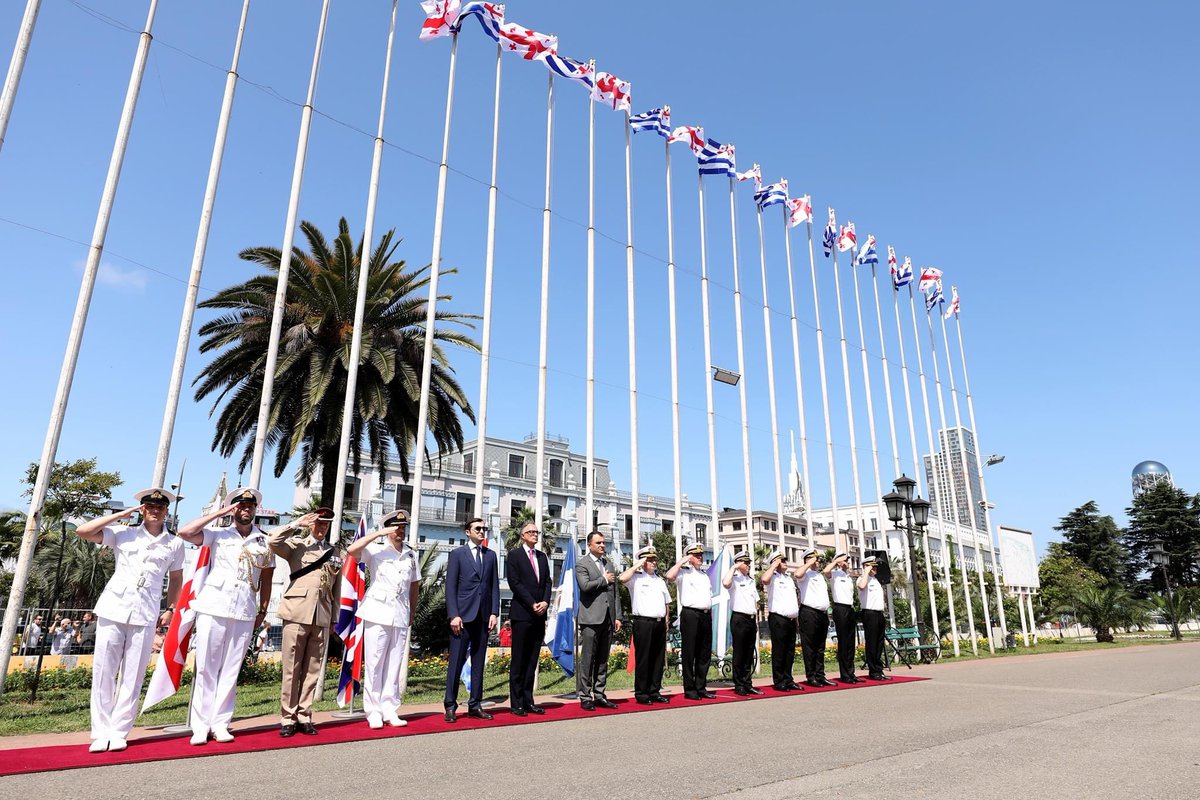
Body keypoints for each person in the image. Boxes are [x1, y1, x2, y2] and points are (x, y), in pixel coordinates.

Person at [73, 488, 185, 753]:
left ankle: (119, 729)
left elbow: (177, 579)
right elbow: (83, 532)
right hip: (114, 608)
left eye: (160, 507)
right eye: (149, 506)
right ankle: (100, 731)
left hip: (146, 612)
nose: (155, 510)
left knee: (133, 675)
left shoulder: (174, 543)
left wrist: (170, 608)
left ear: (166, 511)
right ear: (142, 509)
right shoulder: (122, 533)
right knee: (104, 672)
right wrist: (121, 515)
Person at [177, 487, 275, 746]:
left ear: (255, 510)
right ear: (233, 509)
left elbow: (267, 577)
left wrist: (262, 610)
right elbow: (185, 532)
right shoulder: (217, 534)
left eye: (250, 506)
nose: (246, 510)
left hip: (244, 609)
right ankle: (200, 725)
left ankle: (220, 722)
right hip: (214, 606)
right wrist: (220, 512)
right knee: (207, 668)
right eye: (240, 506)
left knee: (231, 669)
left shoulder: (263, 541)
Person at [268, 507, 340, 737]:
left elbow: (336, 588)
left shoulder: (334, 551)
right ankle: (287, 717)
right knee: (292, 669)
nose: (322, 528)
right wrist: (295, 523)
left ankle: (304, 714)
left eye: (325, 524)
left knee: (312, 669)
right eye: (318, 523)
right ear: (311, 524)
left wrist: (334, 618)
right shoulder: (297, 545)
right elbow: (273, 541)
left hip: (321, 615)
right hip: (296, 612)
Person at [350, 508, 420, 729]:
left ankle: (390, 708)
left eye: (403, 528)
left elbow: (414, 584)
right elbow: (352, 550)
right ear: (387, 529)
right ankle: (373, 710)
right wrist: (378, 534)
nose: (400, 531)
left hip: (400, 612)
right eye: (396, 528)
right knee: (374, 662)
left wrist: (412, 611)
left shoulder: (410, 553)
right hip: (377, 612)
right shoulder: (375, 549)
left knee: (394, 664)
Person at [443, 517, 499, 723]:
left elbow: (493, 586)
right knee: (456, 663)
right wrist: (454, 614)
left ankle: (475, 704)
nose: (482, 532)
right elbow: (450, 587)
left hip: (483, 617)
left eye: (484, 529)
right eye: (478, 528)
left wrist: (494, 612)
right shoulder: (458, 554)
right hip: (462, 617)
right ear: (468, 531)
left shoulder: (491, 556)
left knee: (478, 664)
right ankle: (450, 705)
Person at [505, 521, 551, 717]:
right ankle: (516, 703)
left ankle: (528, 700)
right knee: (519, 660)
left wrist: (546, 602)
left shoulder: (542, 556)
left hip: (540, 615)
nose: (535, 534)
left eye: (536, 532)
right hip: (522, 614)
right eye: (530, 532)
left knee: (532, 660)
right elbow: (514, 583)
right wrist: (532, 603)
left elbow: (548, 582)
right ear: (522, 535)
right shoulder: (514, 555)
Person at [575, 531, 622, 711]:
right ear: (590, 545)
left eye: (604, 543)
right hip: (590, 619)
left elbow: (614, 592)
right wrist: (603, 579)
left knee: (603, 658)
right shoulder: (582, 564)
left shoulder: (608, 563)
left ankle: (600, 693)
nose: (603, 545)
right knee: (588, 658)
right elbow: (585, 586)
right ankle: (585, 696)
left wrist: (617, 616)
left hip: (608, 619)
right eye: (599, 543)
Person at [619, 545, 671, 705]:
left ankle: (655, 691)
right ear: (643, 561)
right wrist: (637, 565)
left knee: (657, 659)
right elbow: (621, 578)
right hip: (643, 622)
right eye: (650, 559)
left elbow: (667, 602)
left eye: (655, 559)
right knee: (643, 659)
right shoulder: (636, 578)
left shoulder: (660, 580)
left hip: (659, 623)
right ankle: (642, 693)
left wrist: (666, 619)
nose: (654, 562)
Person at [666, 543, 715, 700]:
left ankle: (701, 687)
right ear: (689, 556)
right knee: (690, 653)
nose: (700, 557)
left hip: (706, 615)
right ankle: (690, 689)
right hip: (690, 614)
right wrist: (682, 560)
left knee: (704, 653)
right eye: (696, 555)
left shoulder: (704, 575)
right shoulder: (683, 573)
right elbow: (669, 576)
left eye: (701, 554)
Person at [760, 550, 802, 692]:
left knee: (790, 651)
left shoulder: (789, 578)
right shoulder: (773, 577)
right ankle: (779, 681)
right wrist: (773, 566)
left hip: (790, 620)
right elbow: (764, 579)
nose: (784, 563)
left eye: (784, 560)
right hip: (778, 618)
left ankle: (788, 679)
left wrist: (796, 620)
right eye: (781, 560)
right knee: (779, 651)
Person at [722, 551, 762, 696]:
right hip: (739, 619)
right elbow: (725, 583)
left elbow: (755, 603)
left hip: (751, 619)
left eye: (748, 562)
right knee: (739, 653)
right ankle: (739, 684)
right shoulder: (734, 579)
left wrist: (755, 619)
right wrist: (734, 568)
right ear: (738, 563)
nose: (748, 565)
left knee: (749, 653)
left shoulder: (751, 580)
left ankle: (747, 683)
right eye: (745, 562)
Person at [796, 548, 836, 688]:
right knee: (810, 647)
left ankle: (820, 675)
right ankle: (811, 676)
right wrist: (808, 563)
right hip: (809, 613)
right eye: (815, 559)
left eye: (818, 559)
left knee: (820, 647)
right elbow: (797, 573)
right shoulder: (805, 574)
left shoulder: (819, 575)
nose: (818, 561)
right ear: (808, 559)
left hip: (822, 614)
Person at [828, 551, 862, 684]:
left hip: (849, 608)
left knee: (850, 643)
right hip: (840, 608)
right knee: (843, 642)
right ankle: (844, 674)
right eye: (845, 561)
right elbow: (826, 571)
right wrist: (836, 561)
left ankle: (851, 672)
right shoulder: (834, 574)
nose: (847, 563)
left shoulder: (848, 576)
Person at [858, 555, 890, 681]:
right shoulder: (862, 578)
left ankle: (879, 669)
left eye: (875, 566)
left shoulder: (876, 580)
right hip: (869, 613)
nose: (875, 568)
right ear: (866, 566)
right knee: (871, 643)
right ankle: (873, 671)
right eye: (872, 566)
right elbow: (861, 586)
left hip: (879, 613)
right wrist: (866, 571)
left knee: (879, 643)